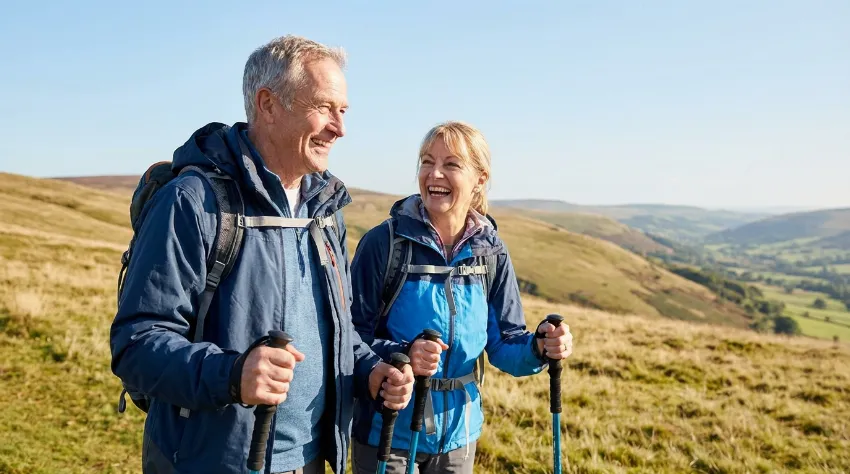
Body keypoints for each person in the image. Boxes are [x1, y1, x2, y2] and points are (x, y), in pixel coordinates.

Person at [109, 35, 414, 474]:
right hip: (210, 462)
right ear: (268, 105)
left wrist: (370, 370)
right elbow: (137, 343)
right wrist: (233, 375)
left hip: (310, 459)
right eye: (324, 107)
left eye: (343, 111)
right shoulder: (192, 202)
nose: (339, 128)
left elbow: (338, 331)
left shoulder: (325, 211)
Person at [347, 121, 574, 473]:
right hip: (388, 433)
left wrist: (539, 348)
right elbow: (350, 338)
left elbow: (505, 342)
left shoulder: (490, 251)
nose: (434, 174)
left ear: (479, 179)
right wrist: (402, 353)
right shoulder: (385, 244)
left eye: (451, 164)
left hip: (459, 439)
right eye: (427, 161)